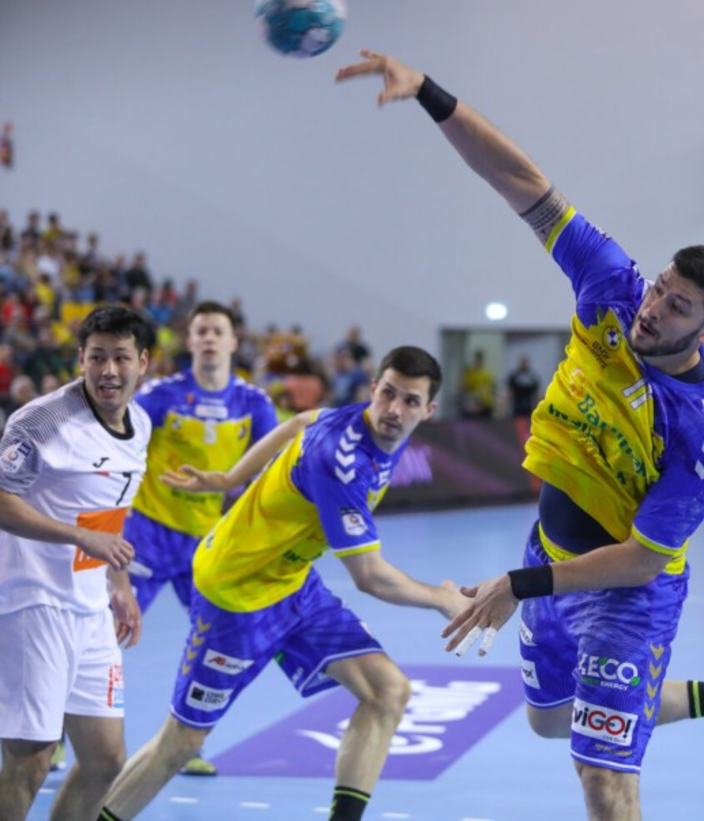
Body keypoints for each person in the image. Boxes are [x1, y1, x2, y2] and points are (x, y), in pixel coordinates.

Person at [335, 49, 704, 819]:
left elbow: (643, 557)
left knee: (602, 776)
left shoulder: (701, 429)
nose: (653, 308)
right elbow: (520, 182)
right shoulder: (611, 286)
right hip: (549, 554)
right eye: (660, 288)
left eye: (677, 307)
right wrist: (427, 91)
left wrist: (517, 587)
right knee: (552, 719)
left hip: (628, 591)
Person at [98, 347, 469, 821]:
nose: (395, 409)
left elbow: (298, 422)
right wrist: (441, 598)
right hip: (236, 593)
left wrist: (231, 478)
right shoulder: (342, 459)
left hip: (292, 583)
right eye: (389, 394)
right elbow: (370, 576)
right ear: (373, 388)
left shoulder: (356, 425)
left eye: (410, 401)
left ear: (429, 410)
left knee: (387, 692)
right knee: (182, 742)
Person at [0, 306, 153, 821]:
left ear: (143, 362)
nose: (109, 370)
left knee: (105, 760)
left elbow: (109, 512)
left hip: (89, 609)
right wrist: (78, 537)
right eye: (97, 357)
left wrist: (120, 585)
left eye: (121, 358)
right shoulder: (43, 421)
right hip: (32, 603)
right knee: (30, 760)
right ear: (80, 359)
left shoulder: (140, 425)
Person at [122, 301, 278, 777]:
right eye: (201, 331)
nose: (209, 338)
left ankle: (184, 744)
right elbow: (121, 448)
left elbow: (269, 477)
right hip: (146, 536)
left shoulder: (253, 404)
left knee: (215, 642)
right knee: (104, 635)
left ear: (233, 342)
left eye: (217, 331)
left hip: (206, 545)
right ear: (189, 341)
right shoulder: (160, 395)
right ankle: (57, 738)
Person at [459, 348, 496, 419]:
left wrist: (481, 400)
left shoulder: (487, 374)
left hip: (485, 404)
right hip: (472, 404)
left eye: (480, 359)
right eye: (477, 359)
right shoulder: (469, 373)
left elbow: (489, 389)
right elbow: (463, 387)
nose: (478, 361)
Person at [506, 354, 541, 418]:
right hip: (517, 405)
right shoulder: (514, 376)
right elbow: (509, 391)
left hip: (529, 405)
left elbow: (536, 393)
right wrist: (507, 405)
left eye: (525, 362)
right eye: (522, 362)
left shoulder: (532, 376)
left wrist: (538, 405)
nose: (523, 364)